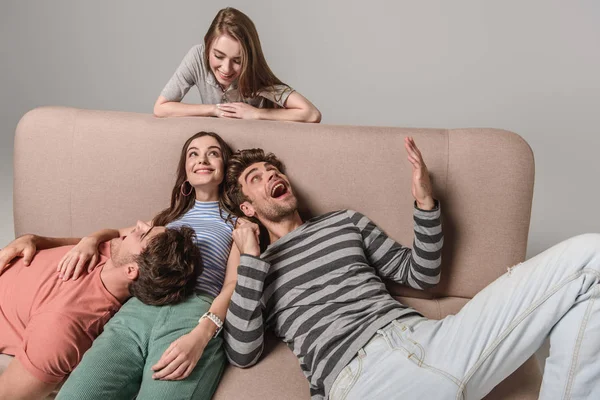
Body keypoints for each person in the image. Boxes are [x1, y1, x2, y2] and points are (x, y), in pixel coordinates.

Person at [221, 139, 600, 400]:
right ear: (248, 209)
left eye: (272, 169)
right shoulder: (260, 268)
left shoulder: (344, 222)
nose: (271, 176)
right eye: (256, 178)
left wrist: (424, 202)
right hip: (364, 380)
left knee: (592, 257)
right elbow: (242, 352)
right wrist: (251, 260)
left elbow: (419, 274)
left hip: (434, 340)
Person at [8, 131, 238, 400]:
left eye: (213, 152)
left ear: (225, 166)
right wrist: (89, 240)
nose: (203, 159)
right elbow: (117, 235)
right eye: (193, 153)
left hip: (194, 311)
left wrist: (203, 333)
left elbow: (234, 283)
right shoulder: (167, 217)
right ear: (185, 172)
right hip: (136, 309)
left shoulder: (236, 224)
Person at [0, 222, 201, 400]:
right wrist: (31, 239)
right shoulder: (109, 252)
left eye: (143, 233)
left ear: (131, 271)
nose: (139, 223)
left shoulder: (63, 329)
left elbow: (8, 394)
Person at [153, 7, 321, 123]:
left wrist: (255, 114)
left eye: (237, 61)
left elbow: (311, 114)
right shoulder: (197, 56)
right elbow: (161, 108)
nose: (226, 69)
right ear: (207, 47)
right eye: (218, 56)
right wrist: (214, 109)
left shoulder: (254, 72)